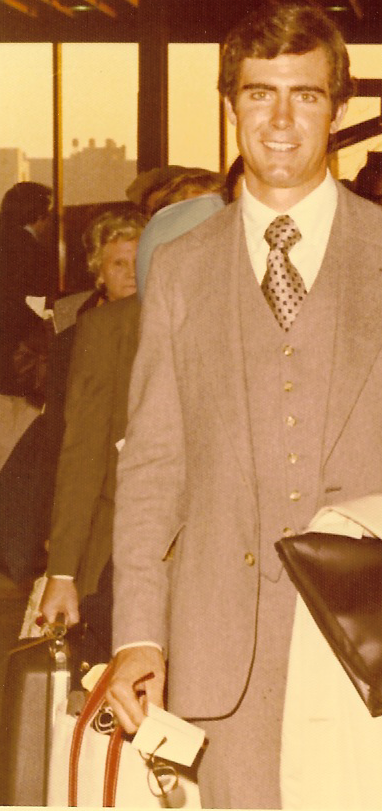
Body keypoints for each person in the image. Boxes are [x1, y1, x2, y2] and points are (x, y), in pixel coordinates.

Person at [104, 3, 382, 809]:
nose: (281, 119)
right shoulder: (181, 271)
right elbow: (153, 466)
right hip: (225, 662)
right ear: (231, 105)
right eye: (260, 93)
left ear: (337, 109)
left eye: (305, 94)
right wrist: (140, 635)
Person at [40, 177, 223, 659]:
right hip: (125, 549)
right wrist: (63, 571)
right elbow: (80, 458)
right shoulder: (106, 330)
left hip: (218, 555)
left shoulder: (248, 327)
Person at [0, 207, 144, 590]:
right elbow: (62, 438)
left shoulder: (162, 324)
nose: (131, 273)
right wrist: (55, 526)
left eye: (138, 260)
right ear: (99, 272)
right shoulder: (74, 335)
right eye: (118, 264)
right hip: (93, 499)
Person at [0, 181, 56, 398]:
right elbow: (33, 303)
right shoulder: (31, 249)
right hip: (16, 341)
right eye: (48, 214)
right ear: (39, 215)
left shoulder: (6, 240)